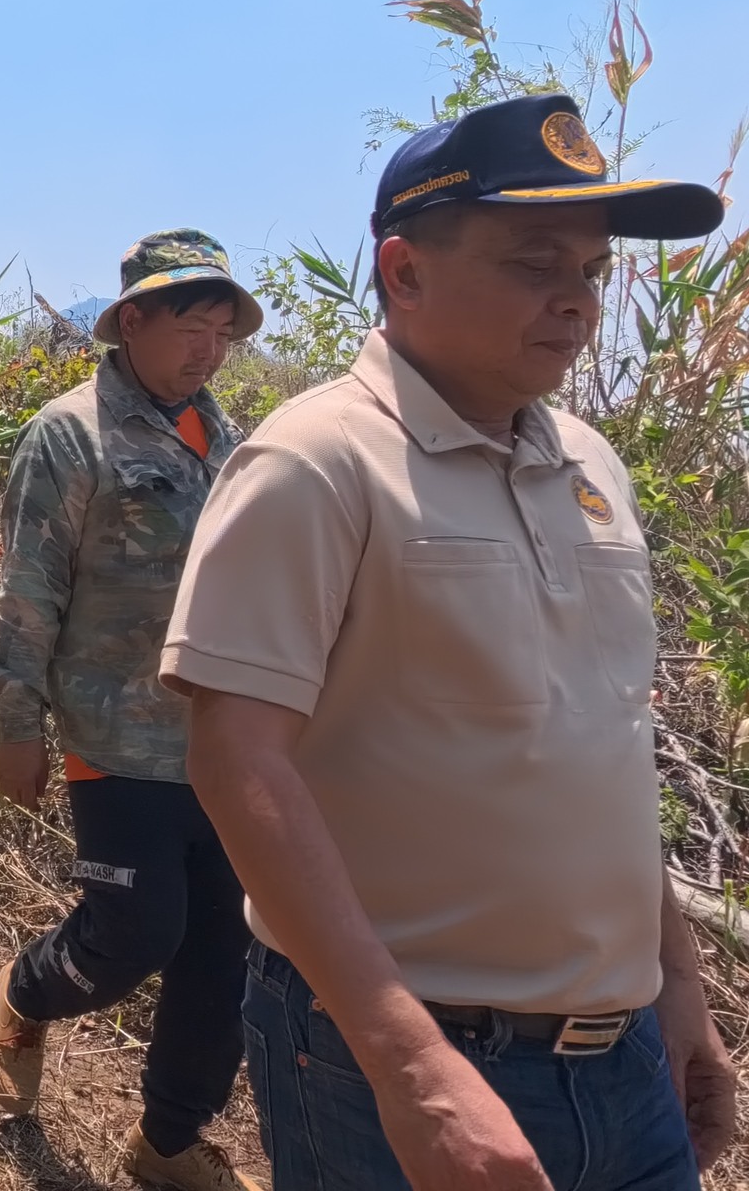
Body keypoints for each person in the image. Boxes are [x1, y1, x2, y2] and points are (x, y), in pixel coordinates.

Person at [165, 93, 735, 1190]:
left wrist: (675, 985)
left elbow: (604, 747)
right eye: (534, 264)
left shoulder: (592, 467)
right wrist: (413, 1068)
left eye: (591, 271)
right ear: (404, 270)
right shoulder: (316, 464)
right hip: (398, 1057)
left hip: (623, 1057)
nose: (576, 301)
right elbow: (237, 763)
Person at [0, 231, 265, 1191]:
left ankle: (168, 1143)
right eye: (192, 328)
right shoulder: (70, 435)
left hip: (223, 744)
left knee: (222, 956)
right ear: (132, 322)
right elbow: (30, 590)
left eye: (223, 333)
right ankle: (30, 991)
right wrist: (16, 725)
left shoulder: (232, 442)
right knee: (138, 933)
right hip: (114, 735)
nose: (209, 351)